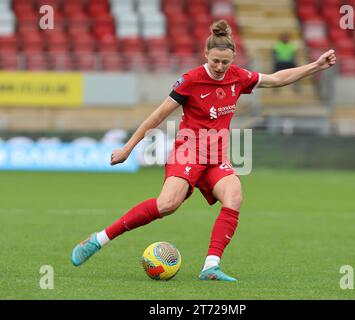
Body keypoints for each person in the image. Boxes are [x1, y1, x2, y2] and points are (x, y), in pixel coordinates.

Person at [71, 20, 336, 281]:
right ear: (205, 55)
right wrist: (128, 148)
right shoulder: (191, 80)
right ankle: (98, 239)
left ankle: (211, 266)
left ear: (232, 59)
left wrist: (316, 66)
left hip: (216, 158)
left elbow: (277, 79)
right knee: (167, 205)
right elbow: (157, 116)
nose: (220, 67)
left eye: (226, 62)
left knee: (234, 197)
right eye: (215, 61)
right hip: (188, 151)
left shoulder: (238, 77)